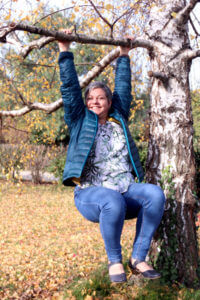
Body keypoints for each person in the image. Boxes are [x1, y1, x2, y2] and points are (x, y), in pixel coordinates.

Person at [58, 29, 166, 283]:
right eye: (91, 98)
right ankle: (114, 261)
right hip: (91, 194)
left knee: (154, 194)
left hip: (124, 190)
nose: (96, 102)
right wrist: (64, 48)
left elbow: (124, 88)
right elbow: (70, 88)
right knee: (111, 200)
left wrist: (124, 54)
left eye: (101, 98)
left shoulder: (119, 118)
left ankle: (138, 258)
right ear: (85, 103)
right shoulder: (79, 120)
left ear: (109, 101)